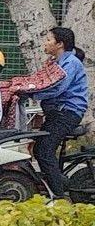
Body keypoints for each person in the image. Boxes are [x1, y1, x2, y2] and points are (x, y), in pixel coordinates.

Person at [32, 26, 88, 199]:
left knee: (44, 151)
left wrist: (32, 92)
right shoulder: (56, 62)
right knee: (40, 149)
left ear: (60, 44)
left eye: (49, 39)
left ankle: (58, 195)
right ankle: (58, 180)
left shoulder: (70, 63)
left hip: (67, 113)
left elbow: (57, 88)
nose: (45, 43)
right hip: (58, 112)